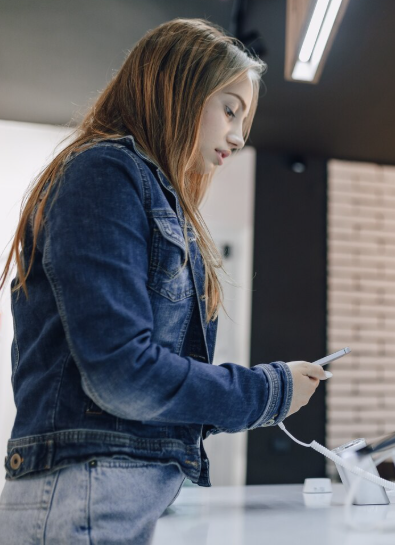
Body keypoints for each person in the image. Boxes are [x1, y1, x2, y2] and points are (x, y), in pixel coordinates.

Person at [0, 18, 327, 544]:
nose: (239, 137)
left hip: (124, 490)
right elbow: (123, 374)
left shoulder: (148, 191)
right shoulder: (105, 172)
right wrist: (269, 389)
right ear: (180, 88)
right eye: (230, 109)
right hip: (92, 492)